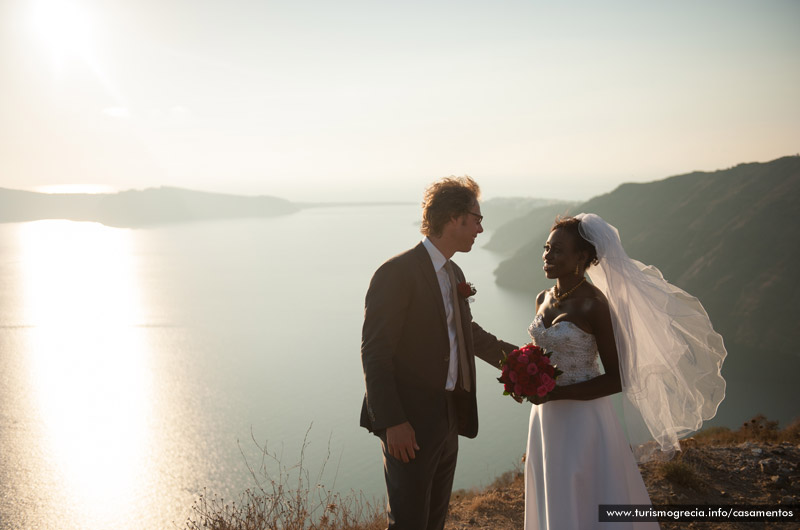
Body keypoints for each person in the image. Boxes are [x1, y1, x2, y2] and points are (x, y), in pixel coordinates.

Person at [524, 214, 726, 530]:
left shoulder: (595, 304)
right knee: (554, 490)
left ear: (582, 257)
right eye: (547, 248)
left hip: (584, 420)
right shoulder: (542, 298)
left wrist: (558, 393)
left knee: (586, 495)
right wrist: (525, 377)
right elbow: (538, 358)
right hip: (545, 417)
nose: (548, 255)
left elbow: (618, 378)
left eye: (558, 250)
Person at [360, 176, 517, 530]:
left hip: (448, 416)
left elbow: (468, 335)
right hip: (408, 421)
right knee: (409, 522)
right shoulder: (396, 273)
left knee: (433, 520)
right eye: (476, 218)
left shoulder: (453, 271)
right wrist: (392, 422)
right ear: (454, 218)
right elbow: (375, 354)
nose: (480, 227)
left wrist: (521, 359)